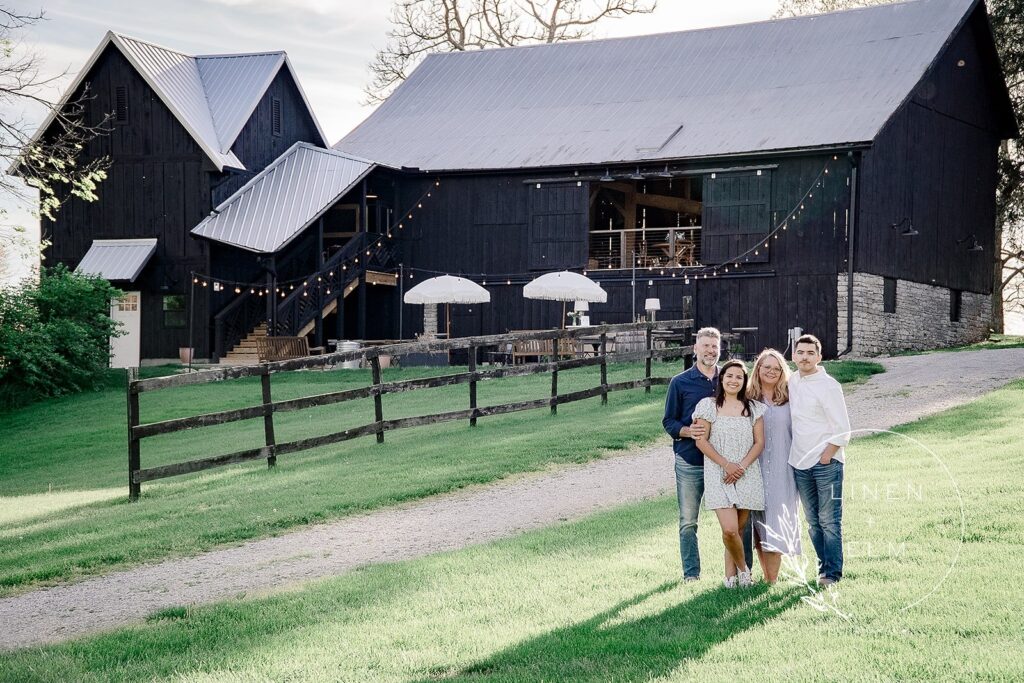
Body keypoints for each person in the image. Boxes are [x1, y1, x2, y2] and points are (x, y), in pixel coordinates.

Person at [663, 328, 753, 582]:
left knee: (736, 523)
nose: (710, 351)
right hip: (691, 460)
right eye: (706, 346)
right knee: (688, 521)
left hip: (725, 465)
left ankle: (743, 570)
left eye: (715, 347)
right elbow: (668, 421)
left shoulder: (728, 378)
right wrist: (687, 431)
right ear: (695, 348)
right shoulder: (679, 383)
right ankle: (691, 574)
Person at [690, 359, 765, 588]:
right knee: (730, 529)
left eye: (739, 377)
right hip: (719, 473)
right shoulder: (708, 405)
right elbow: (701, 441)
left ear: (745, 382)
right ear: (721, 379)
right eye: (729, 376)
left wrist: (740, 467)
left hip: (747, 473)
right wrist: (726, 465)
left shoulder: (753, 408)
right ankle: (744, 571)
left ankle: (729, 578)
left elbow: (759, 442)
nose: (734, 380)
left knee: (739, 529)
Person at [788, 334, 852, 587]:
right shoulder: (792, 381)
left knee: (829, 520)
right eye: (800, 352)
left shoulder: (829, 386)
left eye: (810, 353)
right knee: (813, 522)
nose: (804, 357)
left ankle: (832, 574)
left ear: (819, 357)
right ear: (793, 356)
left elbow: (843, 429)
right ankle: (823, 567)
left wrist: (826, 456)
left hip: (826, 463)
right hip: (799, 462)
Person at [748, 348, 802, 583]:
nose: (771, 371)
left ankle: (772, 579)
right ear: (758, 369)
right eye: (766, 367)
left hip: (783, 467)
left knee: (777, 520)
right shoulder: (747, 398)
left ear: (783, 372)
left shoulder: (791, 397)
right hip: (754, 468)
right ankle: (767, 576)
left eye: (776, 368)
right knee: (759, 523)